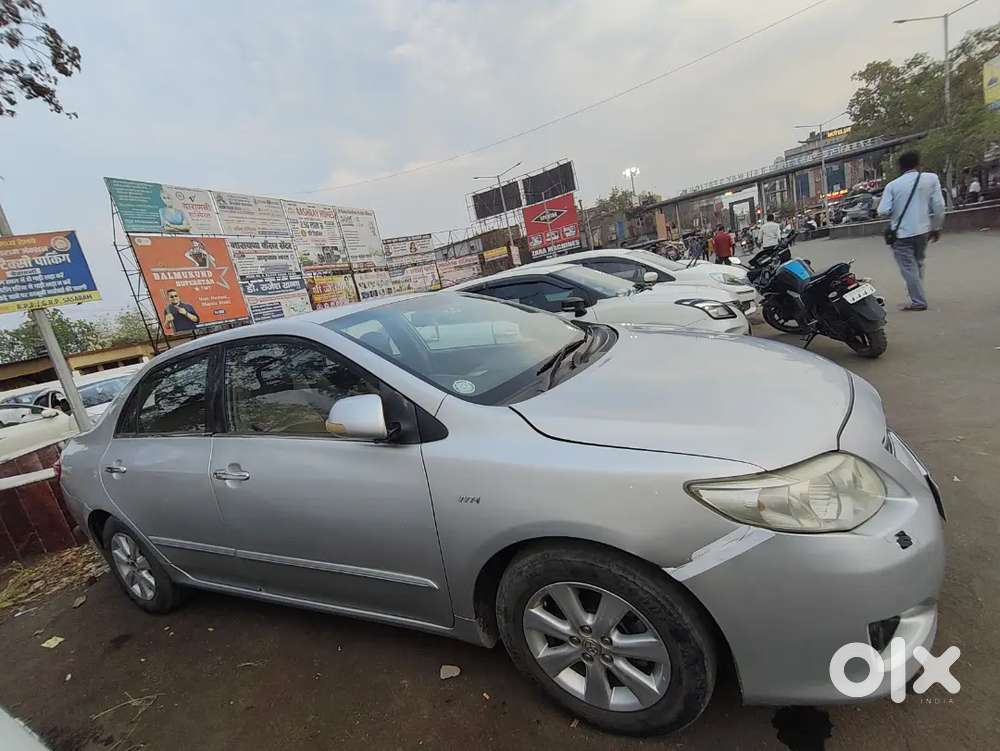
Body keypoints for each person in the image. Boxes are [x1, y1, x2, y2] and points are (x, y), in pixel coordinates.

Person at [877, 150, 945, 311]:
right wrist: (936, 227)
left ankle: (918, 300)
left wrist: (897, 209)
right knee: (919, 262)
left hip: (901, 234)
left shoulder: (893, 186)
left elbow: (883, 210)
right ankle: (917, 294)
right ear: (918, 164)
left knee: (908, 267)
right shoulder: (931, 179)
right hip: (923, 230)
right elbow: (939, 206)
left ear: (900, 167)